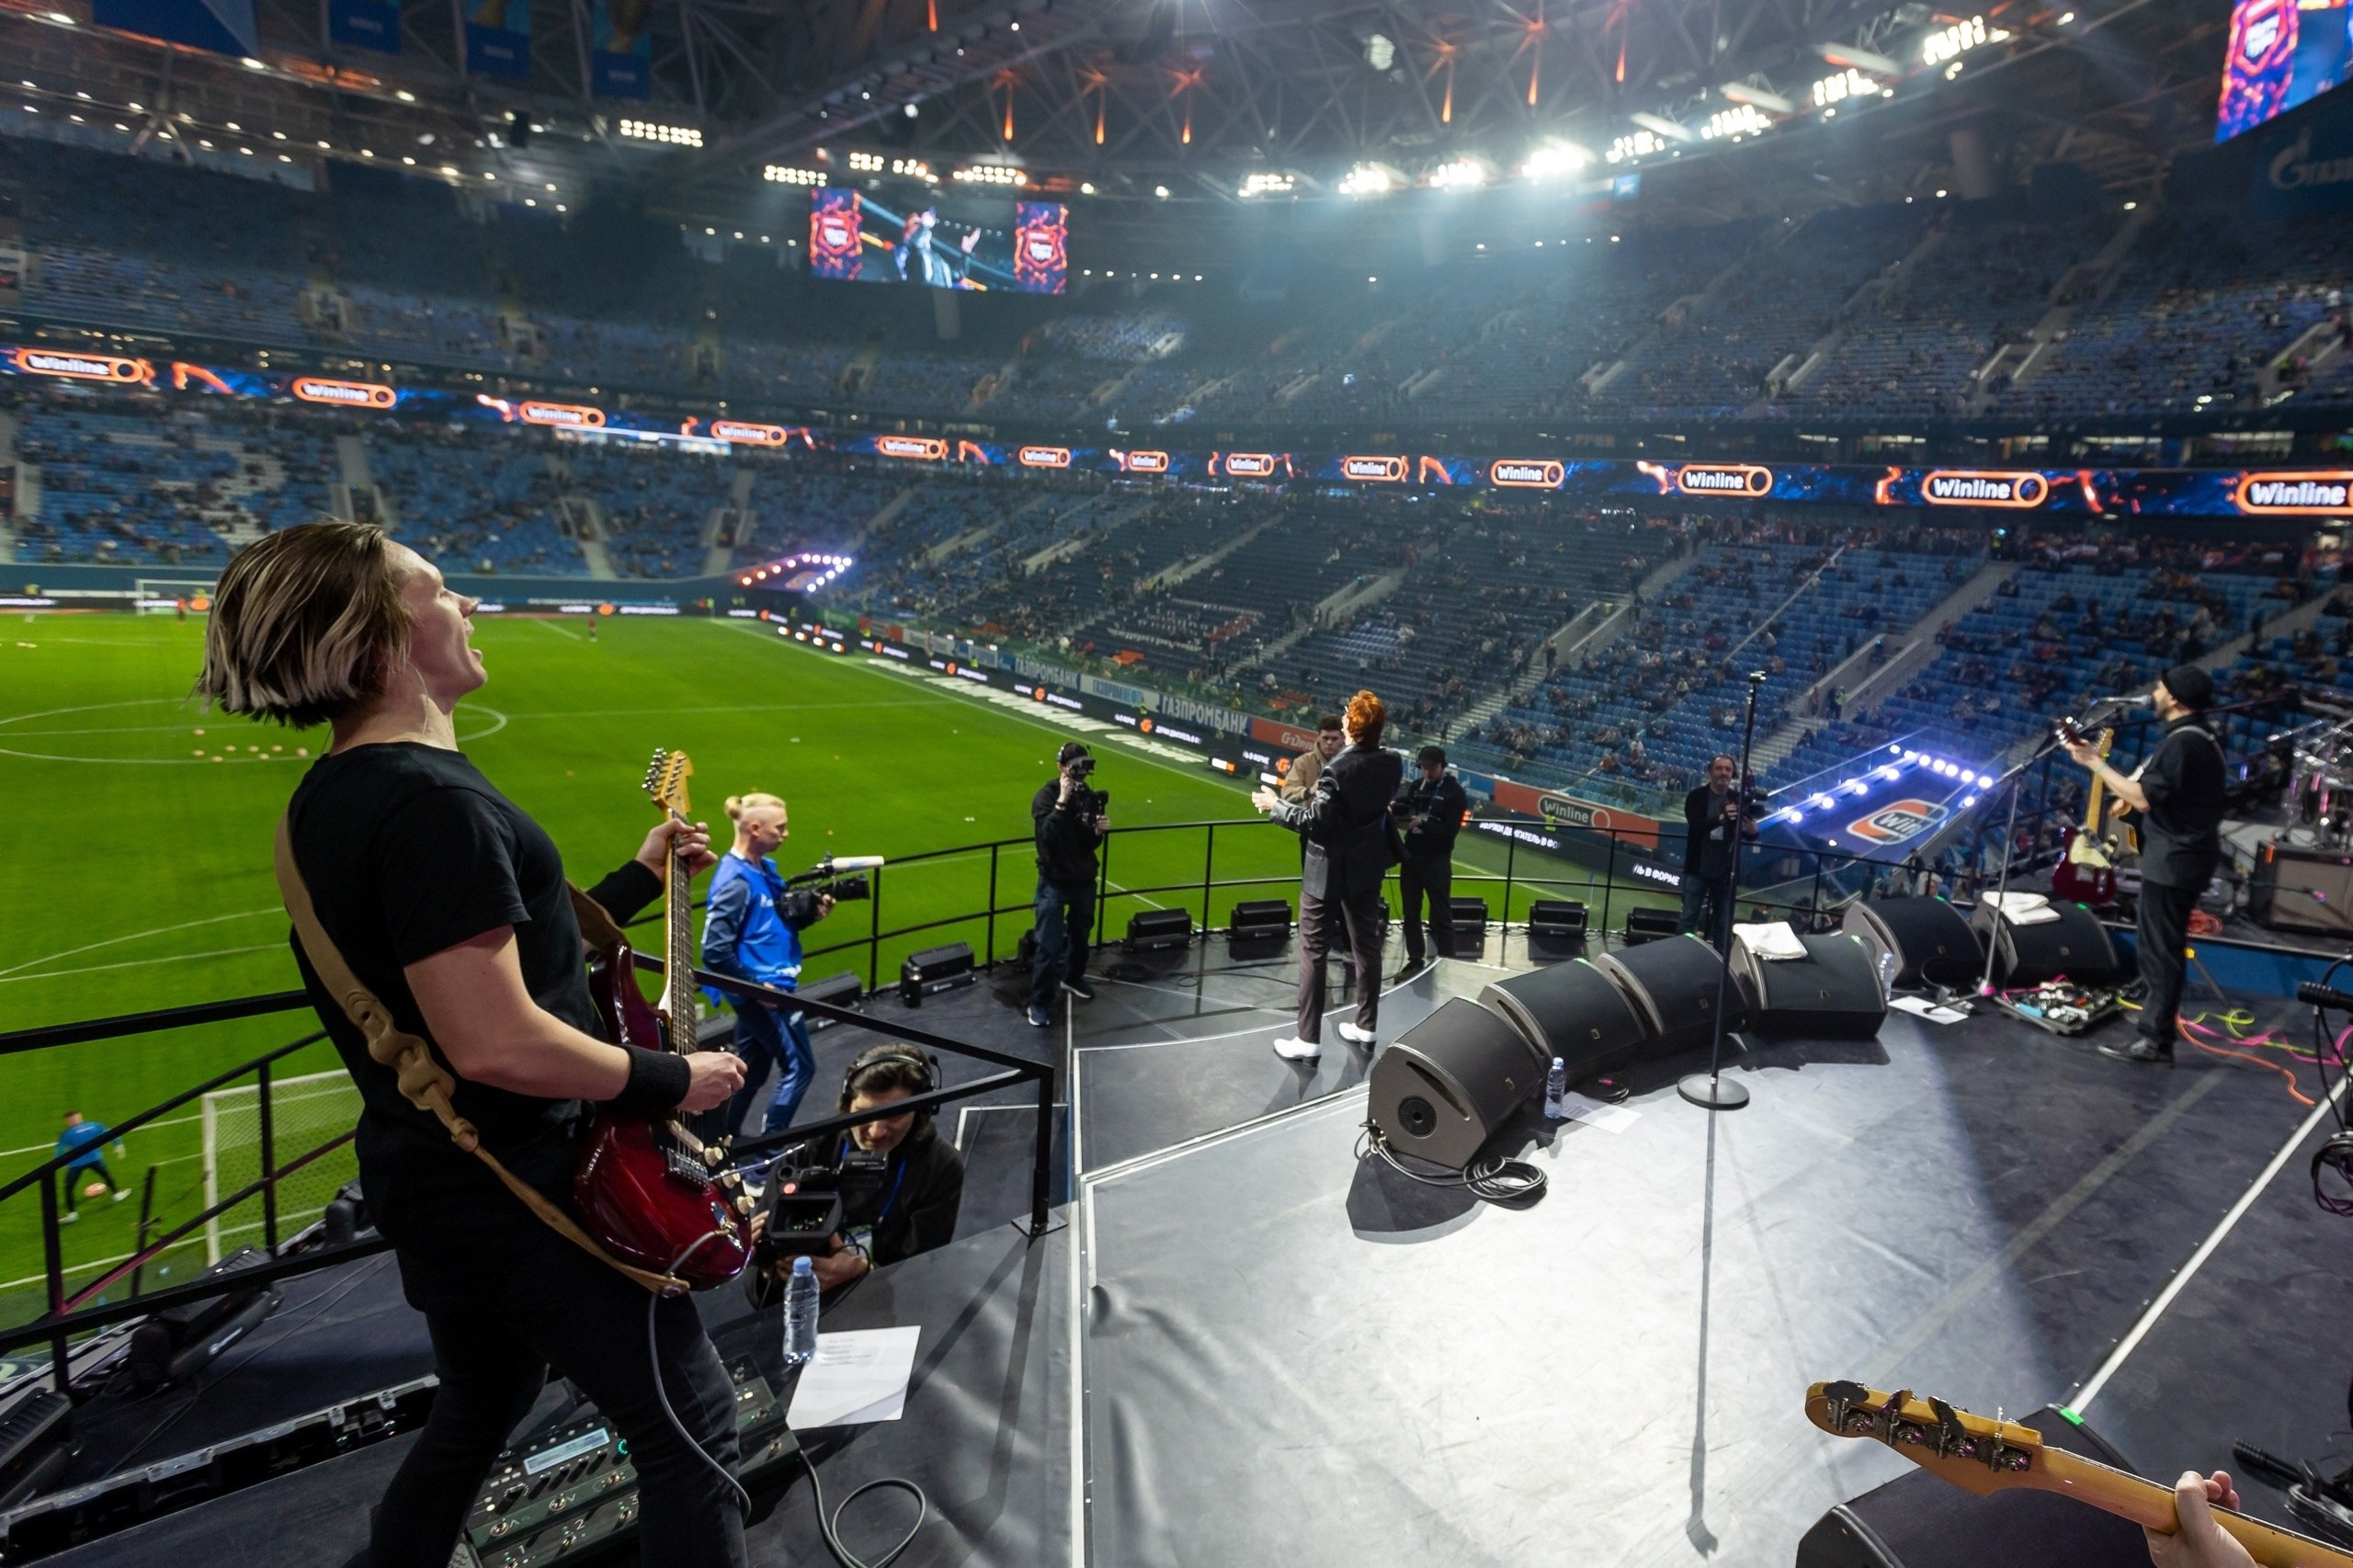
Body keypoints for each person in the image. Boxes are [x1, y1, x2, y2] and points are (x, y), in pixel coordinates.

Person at [195, 522, 750, 1568]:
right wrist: (679, 1076)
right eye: (439, 590)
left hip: (436, 1177)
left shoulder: (340, 794)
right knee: (693, 1432)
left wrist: (629, 880)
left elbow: (500, 953)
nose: (467, 604)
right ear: (373, 641)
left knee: (483, 1401)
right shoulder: (430, 798)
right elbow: (495, 1038)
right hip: (526, 1183)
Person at [2065, 665, 2227, 1065]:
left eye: (2159, 688)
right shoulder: (2194, 737)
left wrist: (2094, 762)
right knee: (2161, 948)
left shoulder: (2183, 743)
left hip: (2176, 860)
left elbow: (2143, 798)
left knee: (2160, 952)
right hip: (2182, 856)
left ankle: (2155, 1040)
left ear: (2174, 698)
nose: (2153, 694)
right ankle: (2157, 1034)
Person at [744, 1044, 967, 1302]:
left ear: (923, 1111)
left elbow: (922, 1275)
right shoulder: (808, 1153)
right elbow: (756, 1292)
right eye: (864, 1115)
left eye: (895, 1117)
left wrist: (865, 1272)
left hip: (887, 1304)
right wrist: (767, 1269)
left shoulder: (940, 1165)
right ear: (846, 1105)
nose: (876, 1133)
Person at [1252, 689, 1404, 1061]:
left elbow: (1315, 824)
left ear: (1352, 726)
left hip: (1328, 869)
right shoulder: (1393, 763)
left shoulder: (1338, 769)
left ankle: (1307, 1038)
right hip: (1367, 866)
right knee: (1366, 946)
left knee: (1313, 950)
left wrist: (1276, 805)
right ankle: (1366, 1026)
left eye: (1347, 715)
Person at [701, 791, 835, 1141]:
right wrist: (758, 990)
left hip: (766, 989)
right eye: (781, 828)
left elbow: (769, 927)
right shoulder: (736, 881)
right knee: (800, 1067)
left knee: (755, 1069)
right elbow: (714, 951)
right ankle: (768, 1154)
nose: (786, 834)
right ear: (756, 829)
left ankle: (723, 1140)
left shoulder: (760, 869)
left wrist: (809, 917)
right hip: (764, 992)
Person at [1029, 742, 1109, 1029]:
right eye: (1075, 766)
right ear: (1061, 767)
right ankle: (1039, 1003)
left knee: (1081, 934)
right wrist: (1062, 802)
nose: (1080, 773)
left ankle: (1073, 978)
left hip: (1083, 879)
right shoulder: (1046, 796)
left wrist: (1098, 832)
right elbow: (1047, 836)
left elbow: (1088, 843)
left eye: (1084, 767)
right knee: (1048, 945)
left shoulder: (1088, 796)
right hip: (1053, 880)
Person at [1392, 744, 1469, 982]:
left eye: (1432, 767)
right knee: (1410, 913)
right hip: (1412, 857)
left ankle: (1446, 963)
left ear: (1442, 766)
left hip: (1437, 860)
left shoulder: (1455, 793)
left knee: (1441, 914)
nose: (1427, 772)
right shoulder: (1416, 787)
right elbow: (1406, 813)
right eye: (1424, 768)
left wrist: (1421, 824)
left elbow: (1448, 831)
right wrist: (1401, 820)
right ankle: (1415, 960)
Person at [1680, 755, 1753, 951]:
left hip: (1725, 871)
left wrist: (1752, 831)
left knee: (1723, 924)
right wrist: (1721, 817)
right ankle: (1679, 956)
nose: (1724, 773)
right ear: (1710, 772)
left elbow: (1747, 832)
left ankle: (1721, 965)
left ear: (1733, 774)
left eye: (1728, 770)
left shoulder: (1738, 799)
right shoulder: (1696, 797)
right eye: (1719, 768)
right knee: (1688, 918)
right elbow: (1696, 826)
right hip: (1698, 867)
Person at [54, 1111, 128, 1220]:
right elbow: (110, 1133)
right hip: (95, 1159)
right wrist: (118, 1145)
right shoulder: (93, 1125)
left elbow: (59, 1150)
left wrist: (59, 1162)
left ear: (68, 1121)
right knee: (106, 1176)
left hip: (76, 1164)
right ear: (80, 1117)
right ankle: (117, 1195)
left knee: (69, 1188)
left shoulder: (67, 1133)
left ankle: (72, 1215)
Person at [1280, 715, 1345, 806]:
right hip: (1312, 817)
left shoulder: (1350, 763)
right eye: (1325, 738)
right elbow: (1287, 792)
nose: (1329, 742)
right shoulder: (1304, 762)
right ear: (1318, 737)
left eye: (1334, 739)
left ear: (1343, 739)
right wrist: (1309, 791)